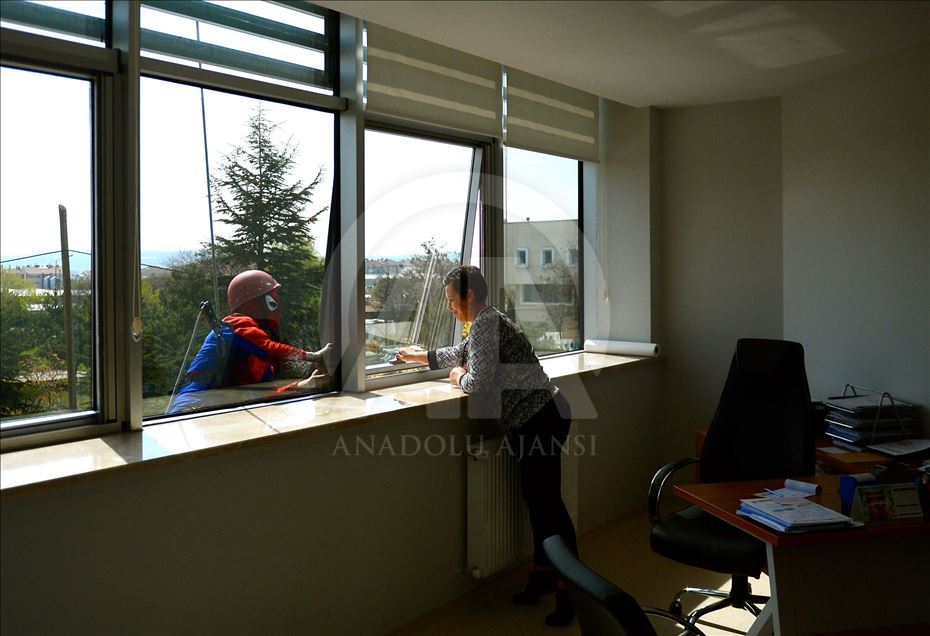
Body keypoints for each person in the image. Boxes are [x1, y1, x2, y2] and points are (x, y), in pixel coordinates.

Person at [397, 265, 577, 627]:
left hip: (539, 420)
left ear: (468, 296)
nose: (449, 307)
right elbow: (461, 351)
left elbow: (476, 380)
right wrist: (423, 357)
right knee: (540, 502)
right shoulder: (487, 321)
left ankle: (570, 591)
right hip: (543, 416)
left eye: (451, 300)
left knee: (547, 509)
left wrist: (458, 376)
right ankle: (543, 577)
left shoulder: (485, 324)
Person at [168, 269, 332, 414]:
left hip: (210, 406)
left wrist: (304, 385)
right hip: (193, 403)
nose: (278, 305)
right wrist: (312, 356)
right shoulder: (237, 324)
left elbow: (262, 394)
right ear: (258, 303)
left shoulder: (254, 354)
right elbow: (269, 347)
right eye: (272, 300)